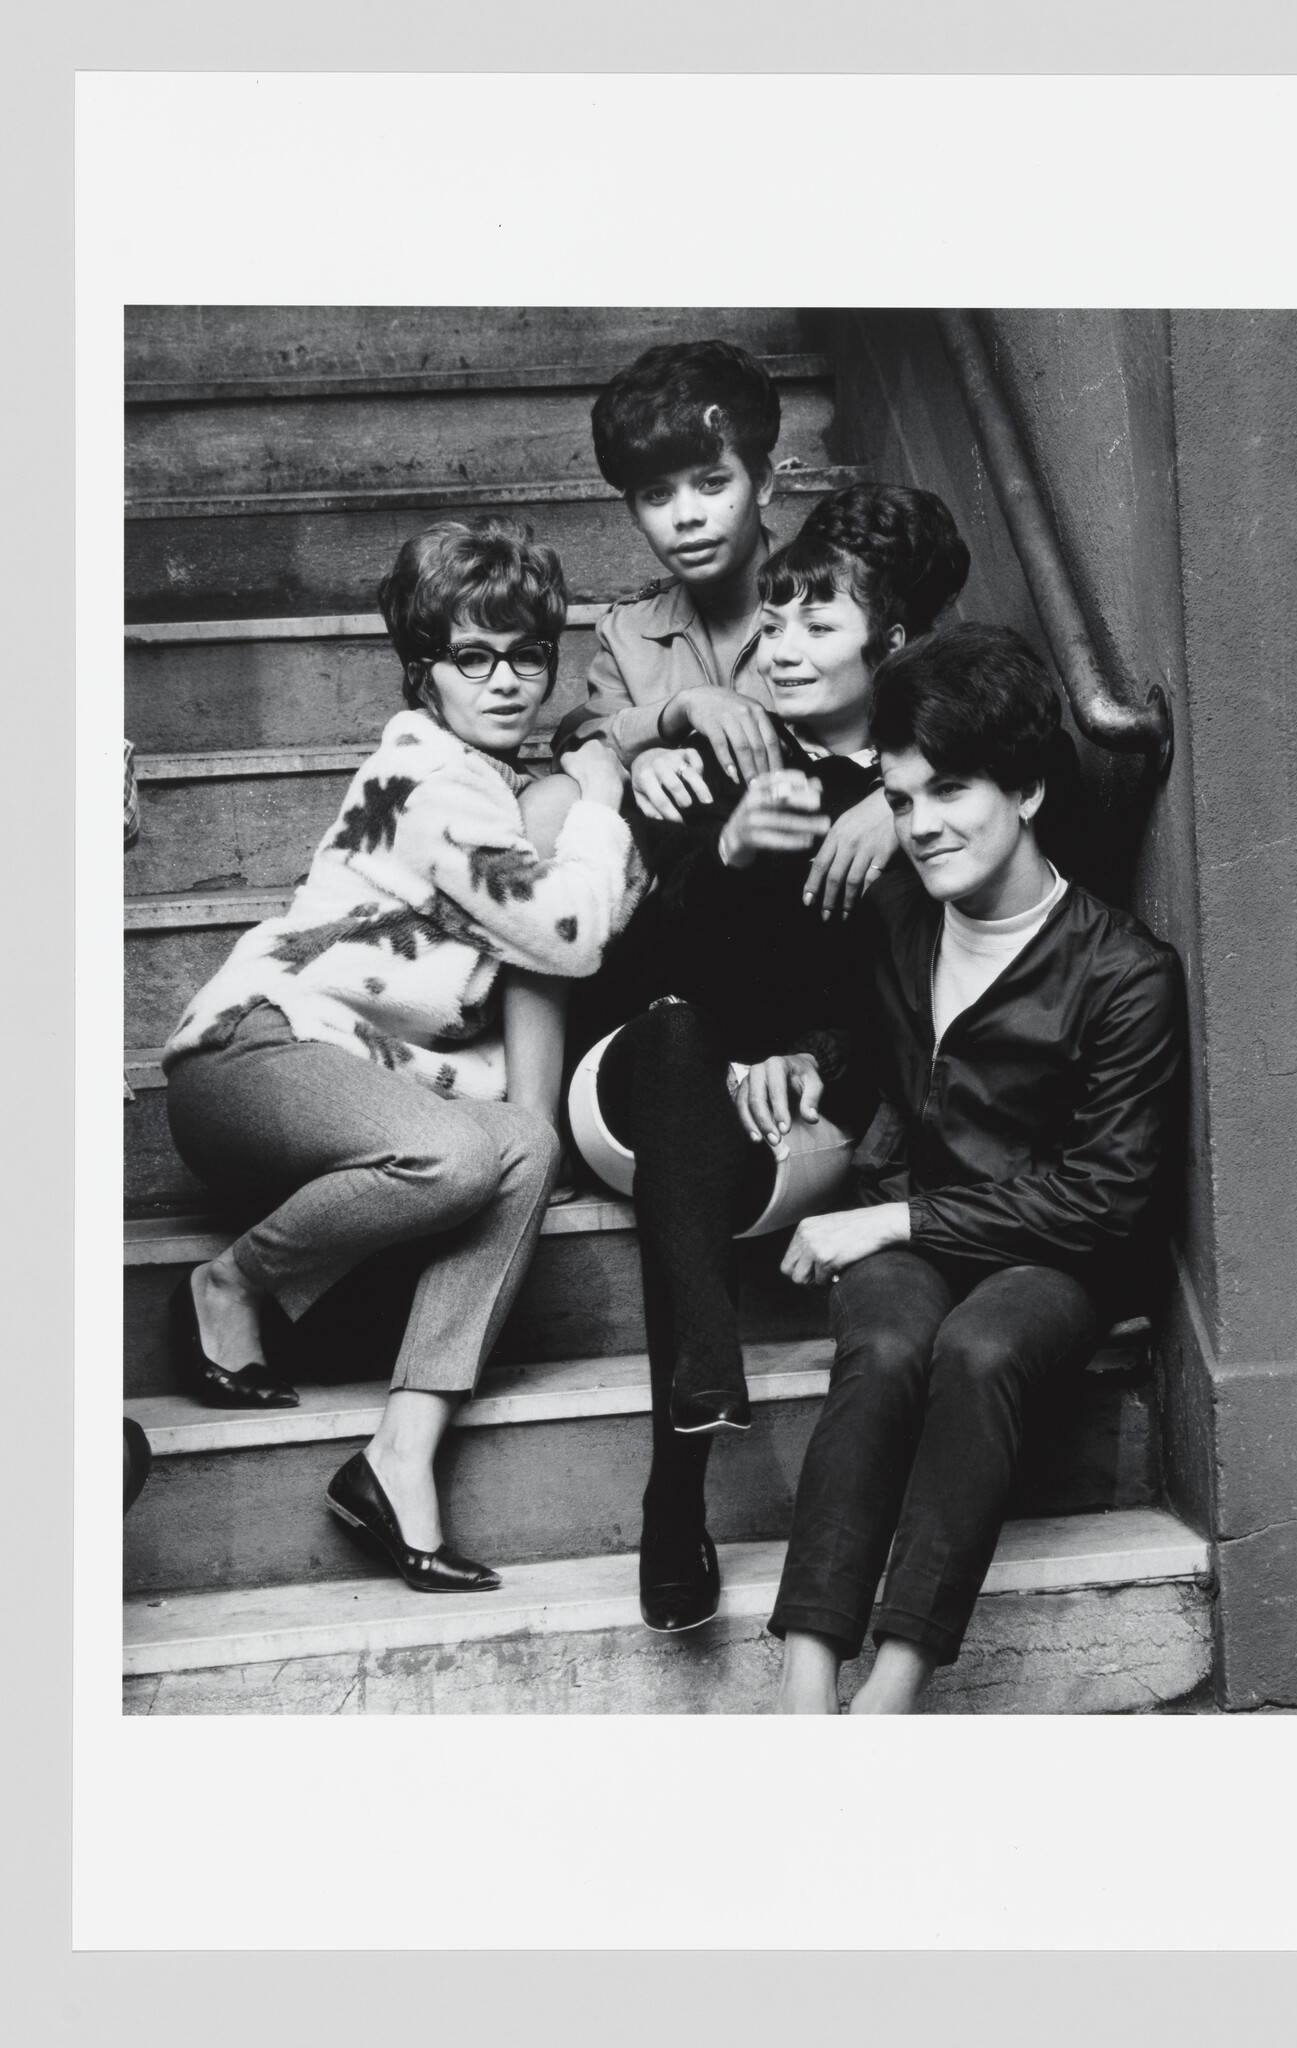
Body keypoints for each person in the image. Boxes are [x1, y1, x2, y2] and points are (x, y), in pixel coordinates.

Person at [161, 518, 644, 1593]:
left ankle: (401, 1451)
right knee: (456, 1156)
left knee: (522, 1139)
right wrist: (601, 800)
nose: (508, 680)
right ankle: (233, 1281)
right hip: (252, 1053)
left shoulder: (481, 777)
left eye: (529, 653)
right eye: (475, 655)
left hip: (353, 1079)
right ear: (425, 669)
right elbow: (569, 933)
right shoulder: (436, 780)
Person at [555, 483, 970, 1633]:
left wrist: (895, 805)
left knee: (724, 1069)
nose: (776, 650)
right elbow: (633, 972)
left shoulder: (929, 795)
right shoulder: (724, 754)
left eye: (811, 626)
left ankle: (690, 1416)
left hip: (781, 1134)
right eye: (771, 623)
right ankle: (678, 1467)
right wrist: (726, 851)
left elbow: (887, 1007)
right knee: (683, 1023)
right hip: (637, 1089)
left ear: (891, 643)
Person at [768, 624, 1186, 1711]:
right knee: (889, 1335)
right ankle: (804, 1689)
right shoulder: (899, 918)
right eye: (901, 798)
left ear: (1028, 789)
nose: (919, 825)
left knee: (981, 1344)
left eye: (948, 790)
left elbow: (1105, 1197)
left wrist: (891, 1222)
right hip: (916, 1225)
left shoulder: (1122, 972)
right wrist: (804, 1065)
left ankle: (892, 1689)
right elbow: (864, 1045)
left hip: (1051, 1249)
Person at [559, 338, 900, 922]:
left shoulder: (839, 597)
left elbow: (961, 711)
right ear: (633, 512)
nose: (687, 516)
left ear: (763, 482)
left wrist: (896, 805)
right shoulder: (630, 629)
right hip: (696, 900)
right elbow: (581, 736)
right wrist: (661, 731)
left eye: (712, 482)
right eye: (657, 494)